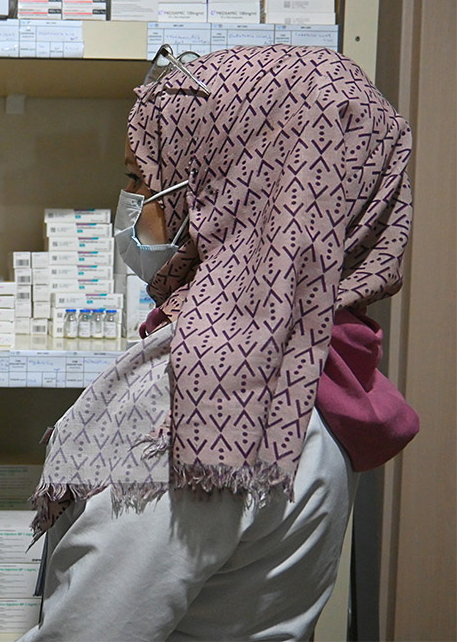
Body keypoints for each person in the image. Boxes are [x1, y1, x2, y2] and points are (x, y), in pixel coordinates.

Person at [22, 44, 419, 640]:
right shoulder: (317, 370)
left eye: (141, 179)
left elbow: (91, 628)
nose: (128, 209)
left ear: (227, 196)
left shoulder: (213, 403)